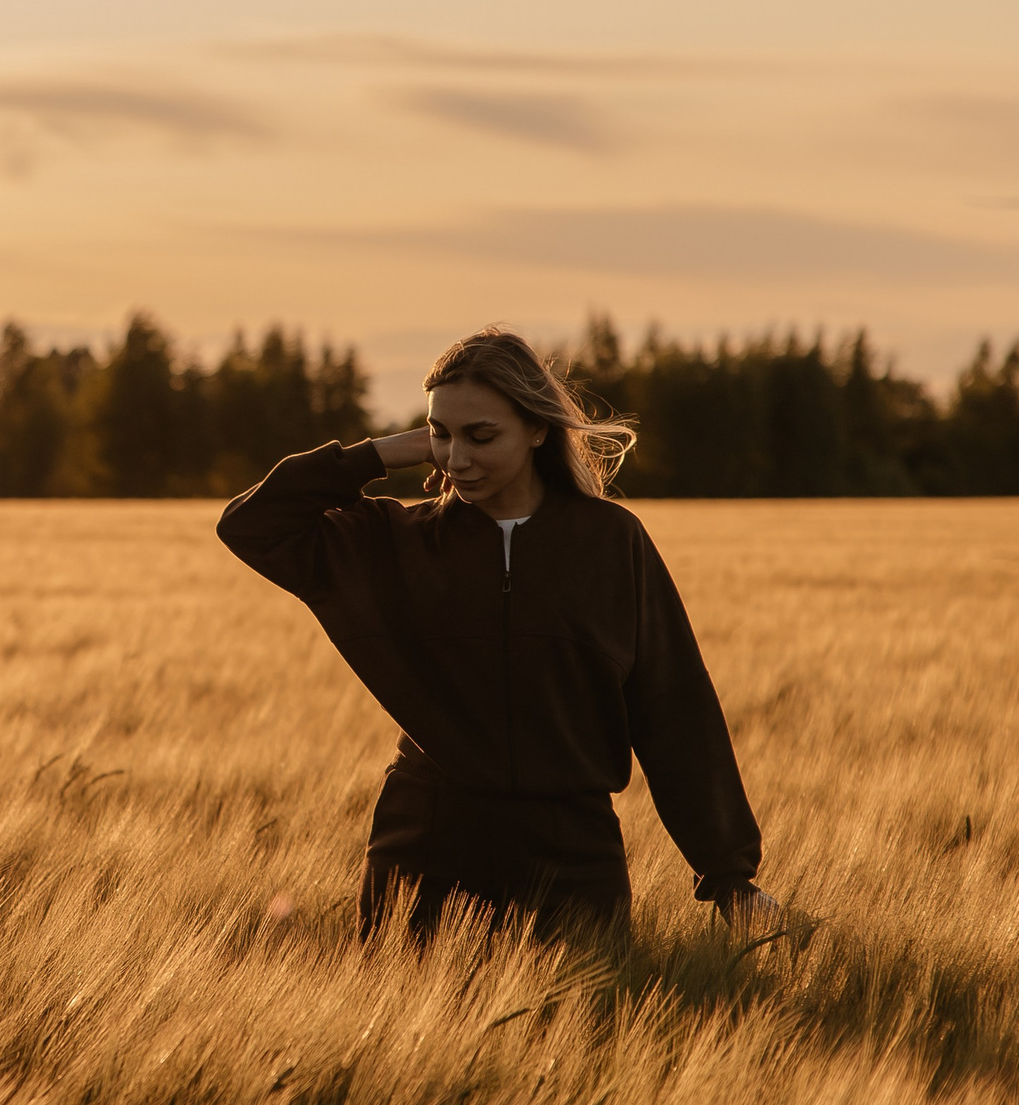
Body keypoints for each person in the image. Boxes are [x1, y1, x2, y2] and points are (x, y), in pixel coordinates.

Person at [217, 326, 778, 941]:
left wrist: (728, 873)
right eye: (440, 434)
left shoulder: (609, 542)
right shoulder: (394, 541)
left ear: (537, 429)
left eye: (481, 436)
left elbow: (674, 707)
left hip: (572, 856)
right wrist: (375, 455)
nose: (456, 458)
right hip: (425, 853)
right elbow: (251, 525)